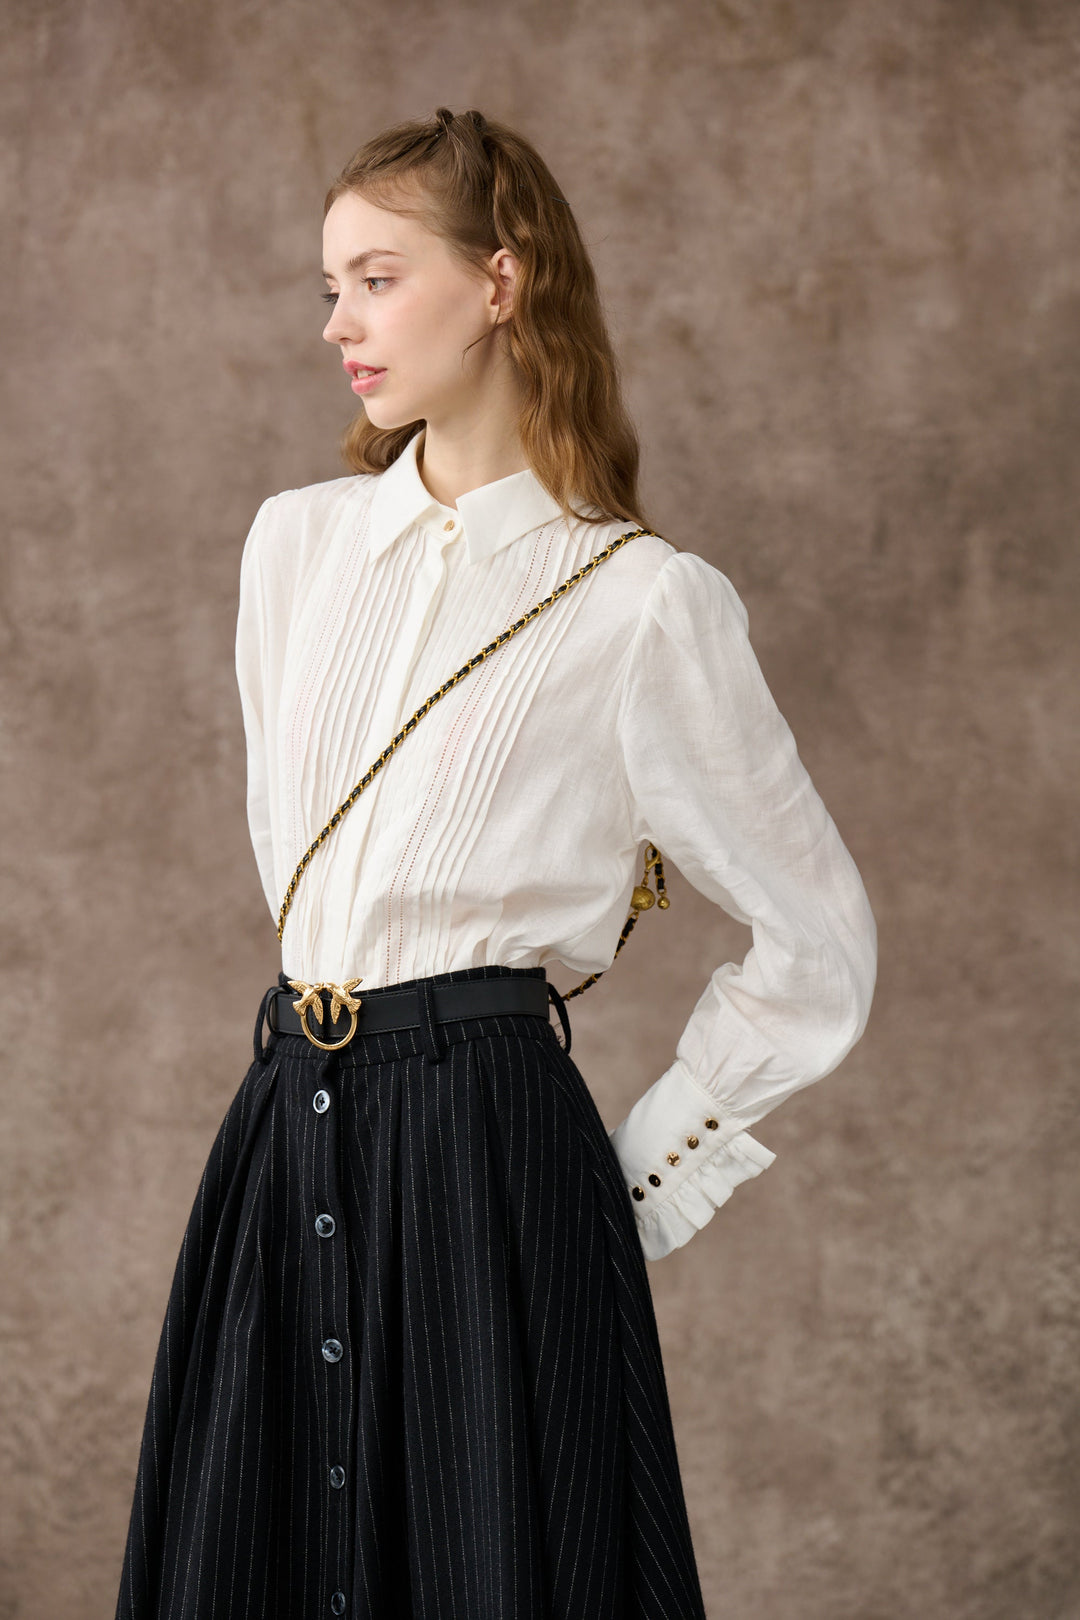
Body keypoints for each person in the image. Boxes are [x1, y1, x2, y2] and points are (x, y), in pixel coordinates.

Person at [114, 105, 877, 1620]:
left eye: (378, 279)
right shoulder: (293, 549)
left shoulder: (644, 603)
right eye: (329, 287)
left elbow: (819, 943)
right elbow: (303, 868)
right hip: (284, 1125)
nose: (338, 323)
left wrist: (624, 1184)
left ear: (502, 280)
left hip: (490, 1158)